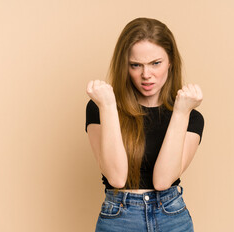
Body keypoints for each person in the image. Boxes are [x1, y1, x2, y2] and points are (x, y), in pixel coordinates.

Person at [85, 17, 204, 232]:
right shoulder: (101, 107)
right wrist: (109, 105)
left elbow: (162, 181)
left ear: (171, 62)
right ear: (125, 66)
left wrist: (180, 111)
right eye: (135, 65)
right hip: (118, 218)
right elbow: (117, 177)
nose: (146, 75)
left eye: (155, 63)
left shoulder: (191, 117)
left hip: (172, 217)